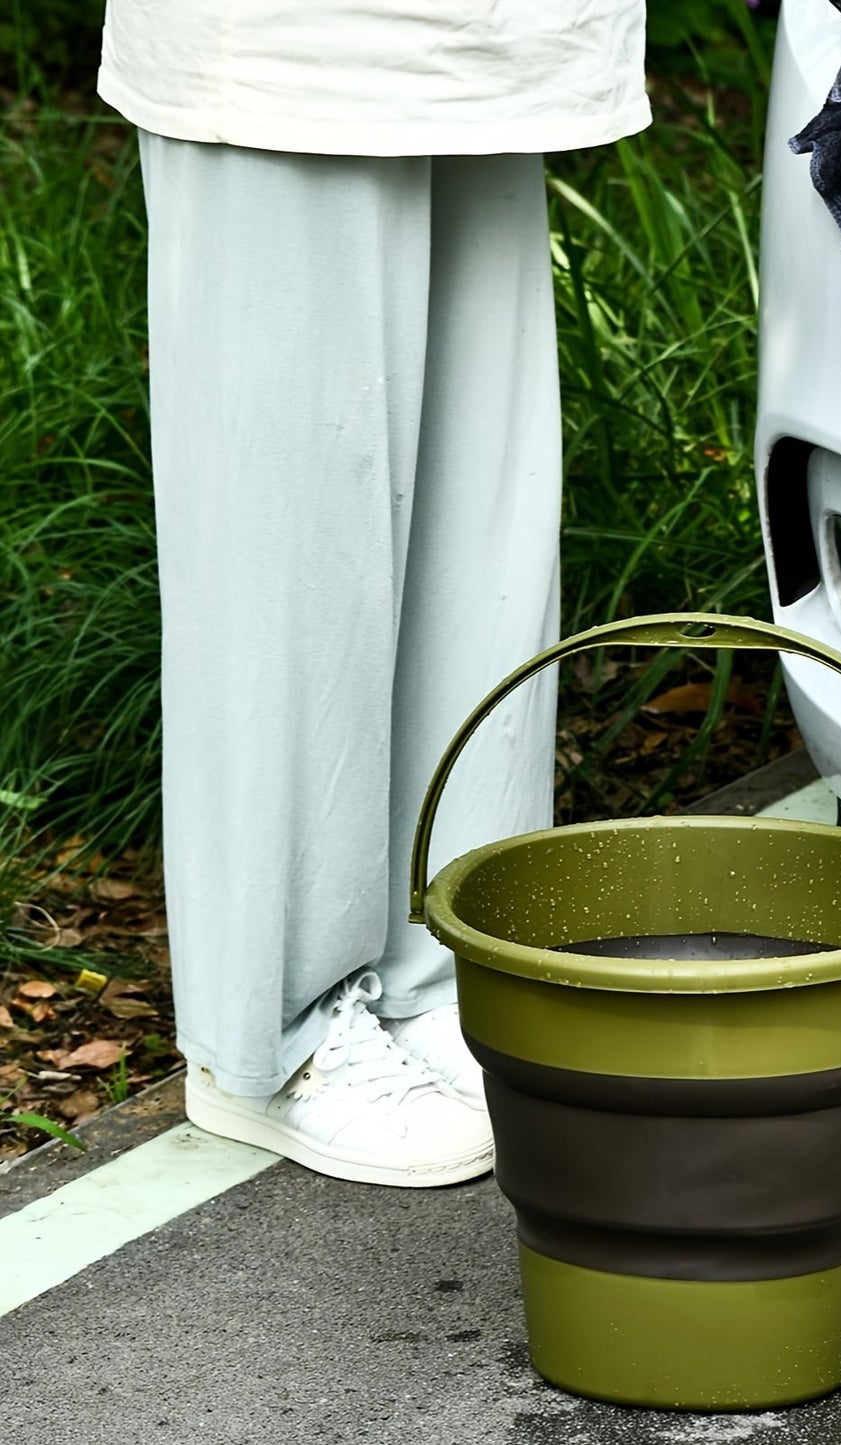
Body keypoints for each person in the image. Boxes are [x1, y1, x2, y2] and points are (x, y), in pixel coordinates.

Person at [96, 3, 651, 1187]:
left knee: (483, 529)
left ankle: (448, 971)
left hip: (497, 45)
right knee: (297, 557)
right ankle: (270, 1042)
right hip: (291, 46)